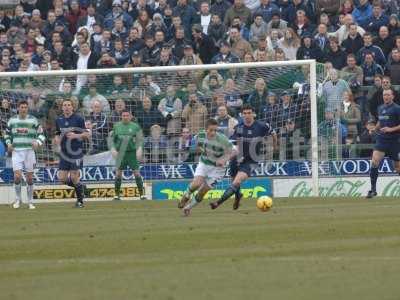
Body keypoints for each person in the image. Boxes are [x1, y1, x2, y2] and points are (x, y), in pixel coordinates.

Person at [210, 104, 277, 210]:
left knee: (236, 182)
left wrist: (275, 146)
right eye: (244, 113)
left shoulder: (261, 126)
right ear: (242, 115)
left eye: (249, 113)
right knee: (234, 183)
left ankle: (217, 203)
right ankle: (238, 197)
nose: (247, 115)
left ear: (253, 114)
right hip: (236, 159)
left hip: (251, 161)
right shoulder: (239, 128)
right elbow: (233, 144)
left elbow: (273, 133)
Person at [178, 119, 234, 216]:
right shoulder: (201, 135)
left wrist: (224, 160)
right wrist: (207, 153)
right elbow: (199, 147)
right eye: (211, 130)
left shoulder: (222, 139)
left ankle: (188, 208)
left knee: (203, 191)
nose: (213, 133)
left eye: (215, 130)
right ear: (205, 129)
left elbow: (233, 152)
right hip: (204, 163)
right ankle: (186, 195)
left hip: (218, 170)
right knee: (196, 183)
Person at [4, 100, 45, 209]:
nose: (23, 109)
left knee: (30, 178)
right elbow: (6, 134)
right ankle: (18, 199)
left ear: (28, 109)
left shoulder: (33, 120)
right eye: (21, 107)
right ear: (18, 108)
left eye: (25, 107)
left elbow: (42, 134)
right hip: (16, 151)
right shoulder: (12, 120)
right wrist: (8, 143)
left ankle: (30, 201)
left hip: (29, 152)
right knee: (17, 176)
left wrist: (38, 142)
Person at [55, 99, 90, 208]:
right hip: (64, 153)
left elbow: (87, 134)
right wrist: (57, 139)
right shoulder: (59, 120)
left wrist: (76, 136)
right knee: (62, 178)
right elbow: (57, 133)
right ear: (62, 108)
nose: (66, 107)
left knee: (74, 177)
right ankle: (80, 186)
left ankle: (80, 201)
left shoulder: (78, 119)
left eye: (69, 105)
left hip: (76, 152)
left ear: (72, 107)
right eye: (64, 105)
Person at [367, 89, 400, 198]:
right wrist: (374, 129)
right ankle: (373, 190)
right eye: (384, 95)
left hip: (394, 141)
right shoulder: (380, 108)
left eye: (388, 95)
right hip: (382, 140)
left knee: (397, 168)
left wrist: (391, 129)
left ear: (393, 96)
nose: (386, 96)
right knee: (374, 161)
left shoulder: (397, 109)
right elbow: (380, 121)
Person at [110, 110, 146, 201]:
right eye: (123, 115)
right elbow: (112, 140)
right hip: (120, 152)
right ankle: (116, 195)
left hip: (131, 153)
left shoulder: (135, 126)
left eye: (127, 115)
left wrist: (139, 149)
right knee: (118, 174)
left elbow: (140, 139)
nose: (125, 117)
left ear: (130, 116)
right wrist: (113, 149)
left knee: (136, 173)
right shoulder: (116, 126)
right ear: (121, 117)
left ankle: (142, 195)